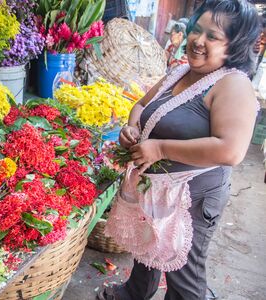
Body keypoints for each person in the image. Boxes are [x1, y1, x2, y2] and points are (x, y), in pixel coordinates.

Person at [98, 0, 260, 300]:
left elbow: (231, 150)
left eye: (212, 36)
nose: (198, 41)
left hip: (194, 197)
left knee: (184, 272)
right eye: (196, 31)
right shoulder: (180, 72)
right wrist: (132, 128)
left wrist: (159, 148)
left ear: (234, 46)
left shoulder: (233, 86)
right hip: (157, 188)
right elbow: (141, 105)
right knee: (149, 242)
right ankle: (134, 293)